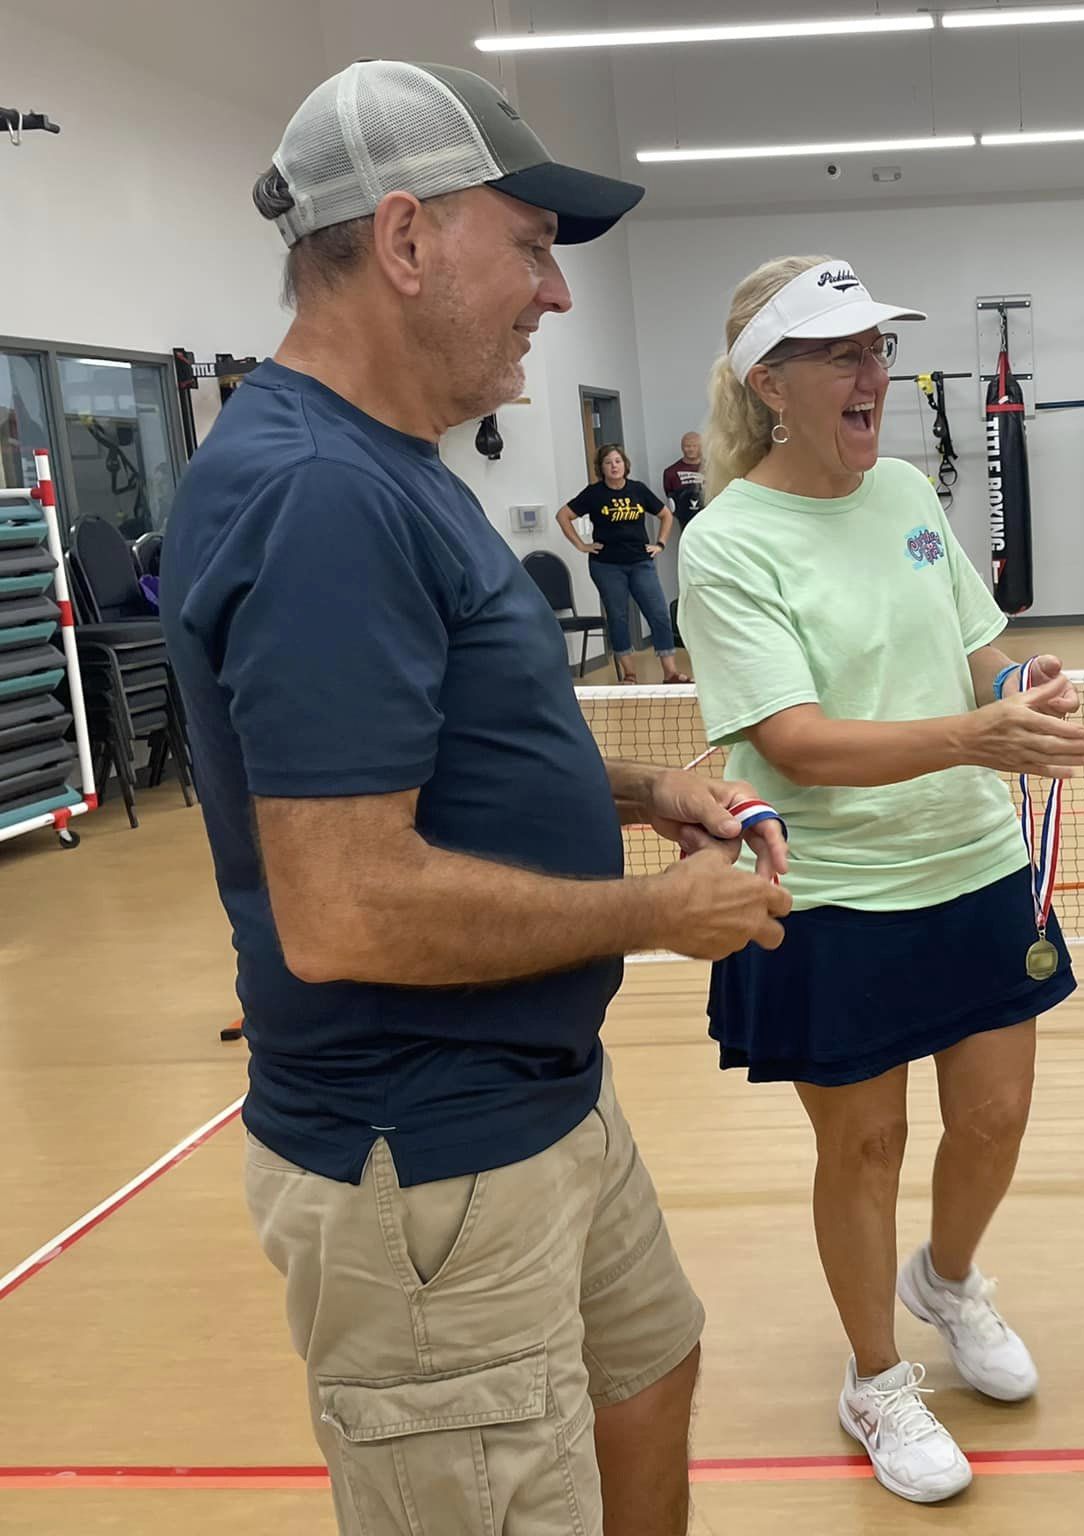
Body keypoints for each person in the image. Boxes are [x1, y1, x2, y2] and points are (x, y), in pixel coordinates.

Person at [160, 60, 793, 1536]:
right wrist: (656, 915)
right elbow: (344, 906)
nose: (555, 295)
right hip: (425, 1156)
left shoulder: (390, 465)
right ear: (405, 240)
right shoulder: (319, 495)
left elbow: (442, 751)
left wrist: (640, 791)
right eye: (531, 247)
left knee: (650, 1371)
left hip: (537, 1096)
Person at [680, 255, 1084, 1505]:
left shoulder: (909, 491)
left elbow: (978, 650)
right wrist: (977, 734)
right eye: (842, 353)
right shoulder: (726, 543)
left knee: (995, 1117)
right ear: (769, 384)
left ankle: (948, 1281)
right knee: (864, 1145)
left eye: (878, 348)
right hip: (833, 890)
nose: (875, 374)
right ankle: (874, 1378)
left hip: (972, 860)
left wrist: (1022, 689)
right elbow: (795, 739)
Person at [558, 444, 686, 684]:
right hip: (607, 566)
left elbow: (665, 515)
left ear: (625, 465)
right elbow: (563, 515)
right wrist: (581, 545)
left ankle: (670, 673)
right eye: (608, 462)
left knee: (658, 614)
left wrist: (660, 543)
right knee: (618, 617)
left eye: (617, 461)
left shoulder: (638, 490)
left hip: (640, 562)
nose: (614, 466)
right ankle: (629, 674)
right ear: (601, 468)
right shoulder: (594, 494)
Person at [662, 430, 708, 531]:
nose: (691, 449)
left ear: (701, 447)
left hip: (711, 519)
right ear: (682, 447)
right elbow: (671, 498)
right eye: (687, 446)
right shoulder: (671, 473)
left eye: (695, 446)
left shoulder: (713, 469)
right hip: (686, 524)